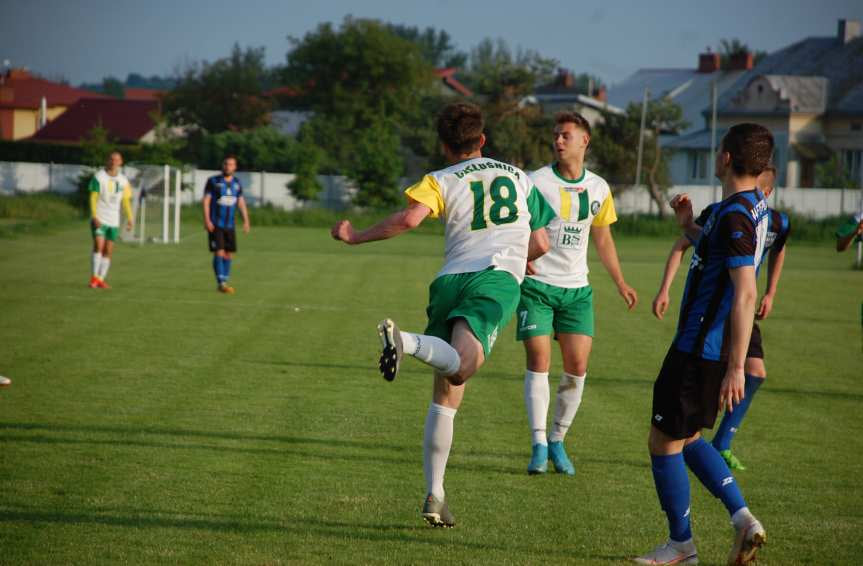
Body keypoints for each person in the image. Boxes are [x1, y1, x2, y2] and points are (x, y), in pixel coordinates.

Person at [331, 102, 555, 528]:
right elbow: (541, 244)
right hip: (493, 279)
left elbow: (410, 218)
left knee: (446, 397)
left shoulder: (439, 179)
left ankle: (436, 494)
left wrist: (356, 235)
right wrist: (515, 255)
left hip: (449, 281)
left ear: (444, 144)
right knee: (464, 367)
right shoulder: (518, 177)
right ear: (483, 140)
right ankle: (407, 341)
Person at [634, 123, 772, 565]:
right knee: (689, 435)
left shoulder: (734, 216)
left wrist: (736, 365)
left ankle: (681, 546)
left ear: (726, 157)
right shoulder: (748, 208)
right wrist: (688, 226)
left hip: (699, 348)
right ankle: (743, 518)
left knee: (663, 440)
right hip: (706, 348)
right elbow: (714, 248)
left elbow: (746, 291)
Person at [518, 111, 638, 476]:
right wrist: (518, 258)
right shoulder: (535, 182)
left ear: (584, 141)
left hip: (576, 291)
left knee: (578, 367)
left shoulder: (599, 188)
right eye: (555, 135)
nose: (558, 141)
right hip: (537, 286)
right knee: (539, 361)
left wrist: (620, 281)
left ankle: (557, 439)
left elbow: (602, 238)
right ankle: (538, 444)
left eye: (565, 135)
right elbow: (515, 226)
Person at [652, 166, 790, 471]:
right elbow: (691, 244)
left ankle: (724, 442)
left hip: (727, 315)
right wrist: (687, 226)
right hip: (722, 314)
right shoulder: (728, 213)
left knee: (673, 438)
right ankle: (735, 491)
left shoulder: (760, 218)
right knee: (687, 435)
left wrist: (770, 292)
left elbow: (777, 251)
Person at [203, 156, 250, 294]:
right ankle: (221, 283)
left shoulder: (237, 183)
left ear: (235, 167)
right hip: (216, 223)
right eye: (226, 164)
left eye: (231, 164)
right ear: (222, 165)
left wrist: (246, 220)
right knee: (219, 251)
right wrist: (207, 220)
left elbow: (240, 202)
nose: (228, 167)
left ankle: (225, 281)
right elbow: (206, 201)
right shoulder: (213, 181)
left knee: (228, 254)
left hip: (230, 225)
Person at [88, 151, 134, 289]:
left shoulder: (123, 180)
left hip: (114, 219)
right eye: (111, 159)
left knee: (108, 250)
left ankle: (100, 279)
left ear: (121, 162)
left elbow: (125, 201)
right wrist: (94, 215)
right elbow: (93, 197)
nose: (114, 162)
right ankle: (94, 278)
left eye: (117, 160)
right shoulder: (99, 177)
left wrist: (130, 218)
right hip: (100, 217)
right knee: (99, 246)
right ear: (108, 161)